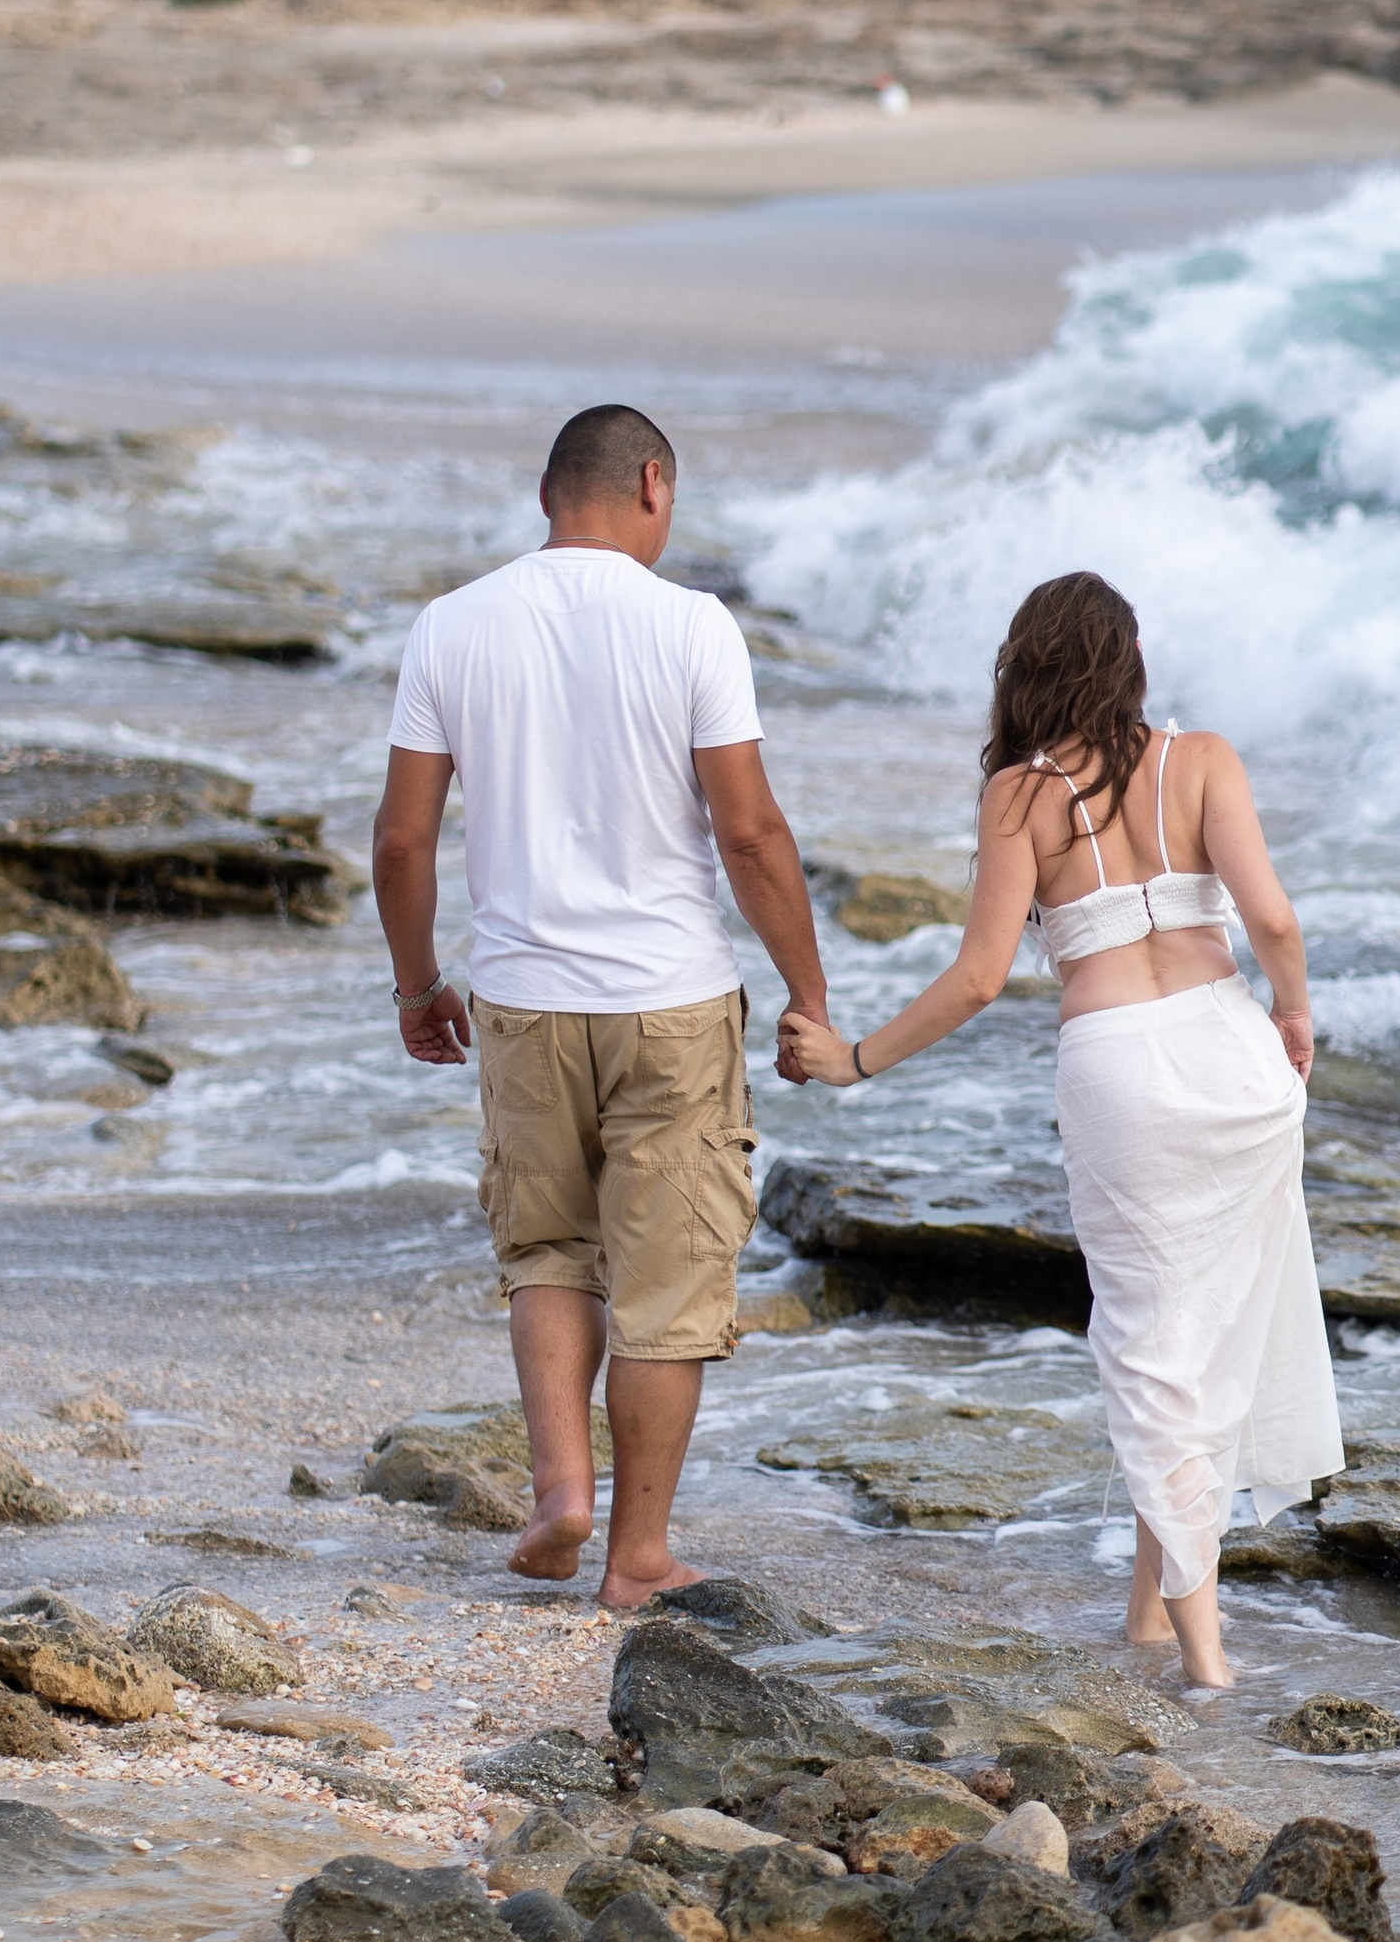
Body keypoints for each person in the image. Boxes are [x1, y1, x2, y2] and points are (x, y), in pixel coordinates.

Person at [777, 570, 1339, 1687]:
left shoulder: (1018, 800)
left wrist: (856, 1062)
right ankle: (1148, 1614)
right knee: (1206, 1334)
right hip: (1236, 1064)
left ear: (1024, 669)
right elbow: (1270, 916)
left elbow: (981, 976)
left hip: (1122, 1070)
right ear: (1127, 661)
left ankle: (1205, 1658)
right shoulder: (1205, 758)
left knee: (1148, 1345)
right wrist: (1291, 1010)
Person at [372, 401, 829, 1610]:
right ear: (652, 485)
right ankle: (637, 1553)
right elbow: (750, 829)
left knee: (548, 1253)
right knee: (669, 1287)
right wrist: (807, 990)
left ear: (543, 498)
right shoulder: (693, 627)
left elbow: (402, 840)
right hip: (671, 1000)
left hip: (520, 998)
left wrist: (420, 982)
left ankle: (560, 1493)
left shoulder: (451, 626)